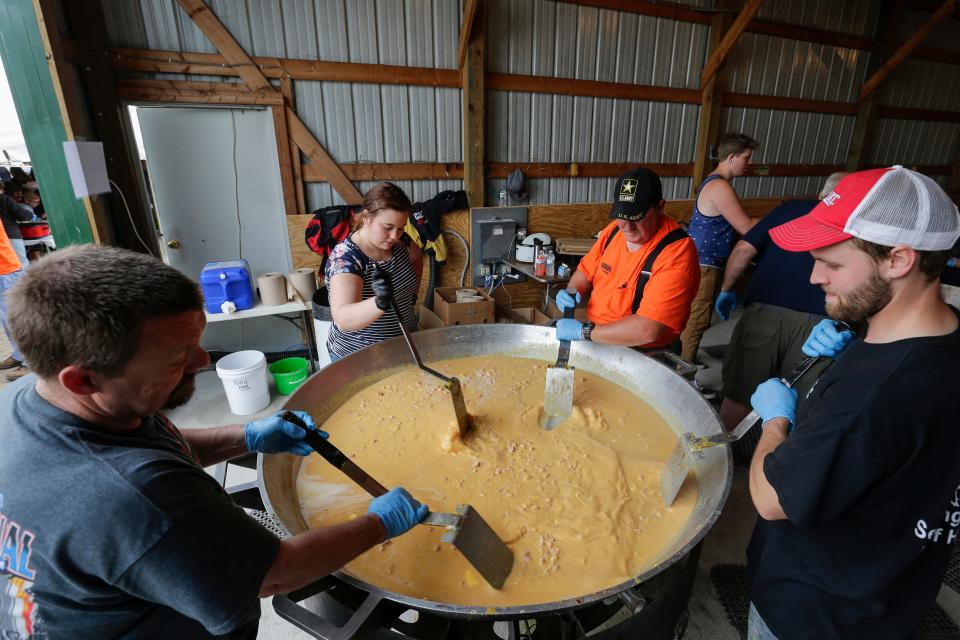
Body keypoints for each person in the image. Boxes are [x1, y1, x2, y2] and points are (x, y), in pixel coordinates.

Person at [0, 245, 429, 639]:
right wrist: (380, 522)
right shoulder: (138, 501)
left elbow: (147, 447)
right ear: (83, 379)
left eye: (197, 341)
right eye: (176, 357)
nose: (204, 361)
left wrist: (247, 436)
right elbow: (276, 573)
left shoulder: (27, 399)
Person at [745, 166, 960, 638]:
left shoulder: (873, 393)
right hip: (892, 590)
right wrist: (859, 332)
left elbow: (771, 499)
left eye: (834, 264)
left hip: (814, 610)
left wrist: (776, 420)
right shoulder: (946, 334)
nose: (815, 277)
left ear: (898, 260)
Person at [713, 173, 848, 430]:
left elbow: (743, 251)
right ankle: (777, 462)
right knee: (798, 406)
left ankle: (721, 458)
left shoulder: (789, 210)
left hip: (765, 314)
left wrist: (727, 288)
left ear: (821, 194)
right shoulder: (854, 224)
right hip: (823, 324)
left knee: (739, 394)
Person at [554, 167, 700, 350]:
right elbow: (585, 272)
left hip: (642, 352)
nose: (627, 227)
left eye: (636, 217)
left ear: (660, 207)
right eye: (621, 216)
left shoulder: (677, 254)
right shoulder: (614, 230)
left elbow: (648, 329)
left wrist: (584, 332)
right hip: (596, 337)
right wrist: (572, 290)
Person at [680, 133, 759, 363]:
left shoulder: (713, 181)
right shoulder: (719, 187)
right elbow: (745, 225)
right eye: (747, 157)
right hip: (704, 265)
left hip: (703, 262)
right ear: (732, 157)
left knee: (694, 318)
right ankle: (684, 373)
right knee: (698, 320)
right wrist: (778, 219)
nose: (750, 163)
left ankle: (682, 361)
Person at [325, 181, 423, 361]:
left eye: (400, 228)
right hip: (360, 357)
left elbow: (417, 257)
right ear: (366, 217)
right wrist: (379, 302)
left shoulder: (401, 242)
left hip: (405, 345)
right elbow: (343, 318)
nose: (394, 236)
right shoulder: (347, 258)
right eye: (387, 228)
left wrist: (412, 297)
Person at [0, 183, 37, 267]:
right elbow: (20, 213)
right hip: (10, 235)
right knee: (21, 263)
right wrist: (31, 216)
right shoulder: (4, 199)